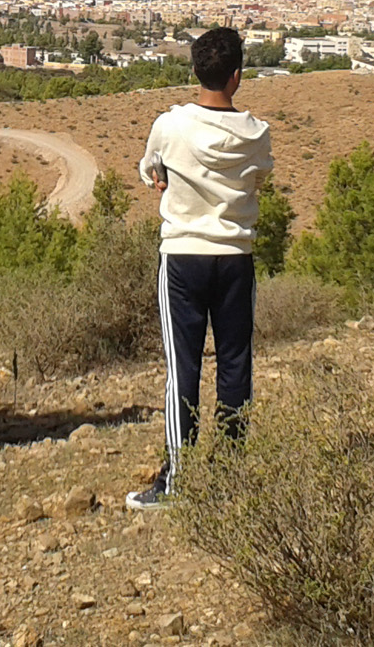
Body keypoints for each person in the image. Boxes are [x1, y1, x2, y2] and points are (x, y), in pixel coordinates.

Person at [126, 28, 273, 511]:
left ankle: (178, 479)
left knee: (182, 368)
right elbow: (258, 174)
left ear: (195, 71)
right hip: (236, 258)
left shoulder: (170, 125)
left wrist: (165, 178)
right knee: (235, 365)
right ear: (237, 76)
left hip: (183, 256)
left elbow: (150, 168)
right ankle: (229, 472)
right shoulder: (256, 131)